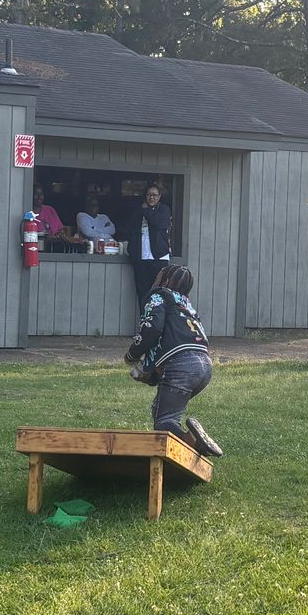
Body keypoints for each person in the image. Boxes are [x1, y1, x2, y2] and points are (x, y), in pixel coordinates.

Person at [123, 264, 223, 457]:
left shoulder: (158, 296)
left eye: (158, 276)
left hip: (181, 365)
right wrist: (151, 373)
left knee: (164, 421)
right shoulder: (185, 304)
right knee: (160, 409)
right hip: (204, 366)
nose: (155, 279)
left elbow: (152, 328)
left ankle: (194, 442)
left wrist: (132, 355)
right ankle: (193, 442)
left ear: (165, 281)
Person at [130, 184, 173, 305]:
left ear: (159, 196)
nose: (151, 198)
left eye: (154, 195)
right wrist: (132, 251)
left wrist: (146, 210)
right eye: (149, 195)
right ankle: (144, 317)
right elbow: (131, 229)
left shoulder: (163, 210)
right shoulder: (139, 211)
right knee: (143, 293)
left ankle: (156, 317)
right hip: (142, 258)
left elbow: (158, 223)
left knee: (158, 293)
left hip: (159, 258)